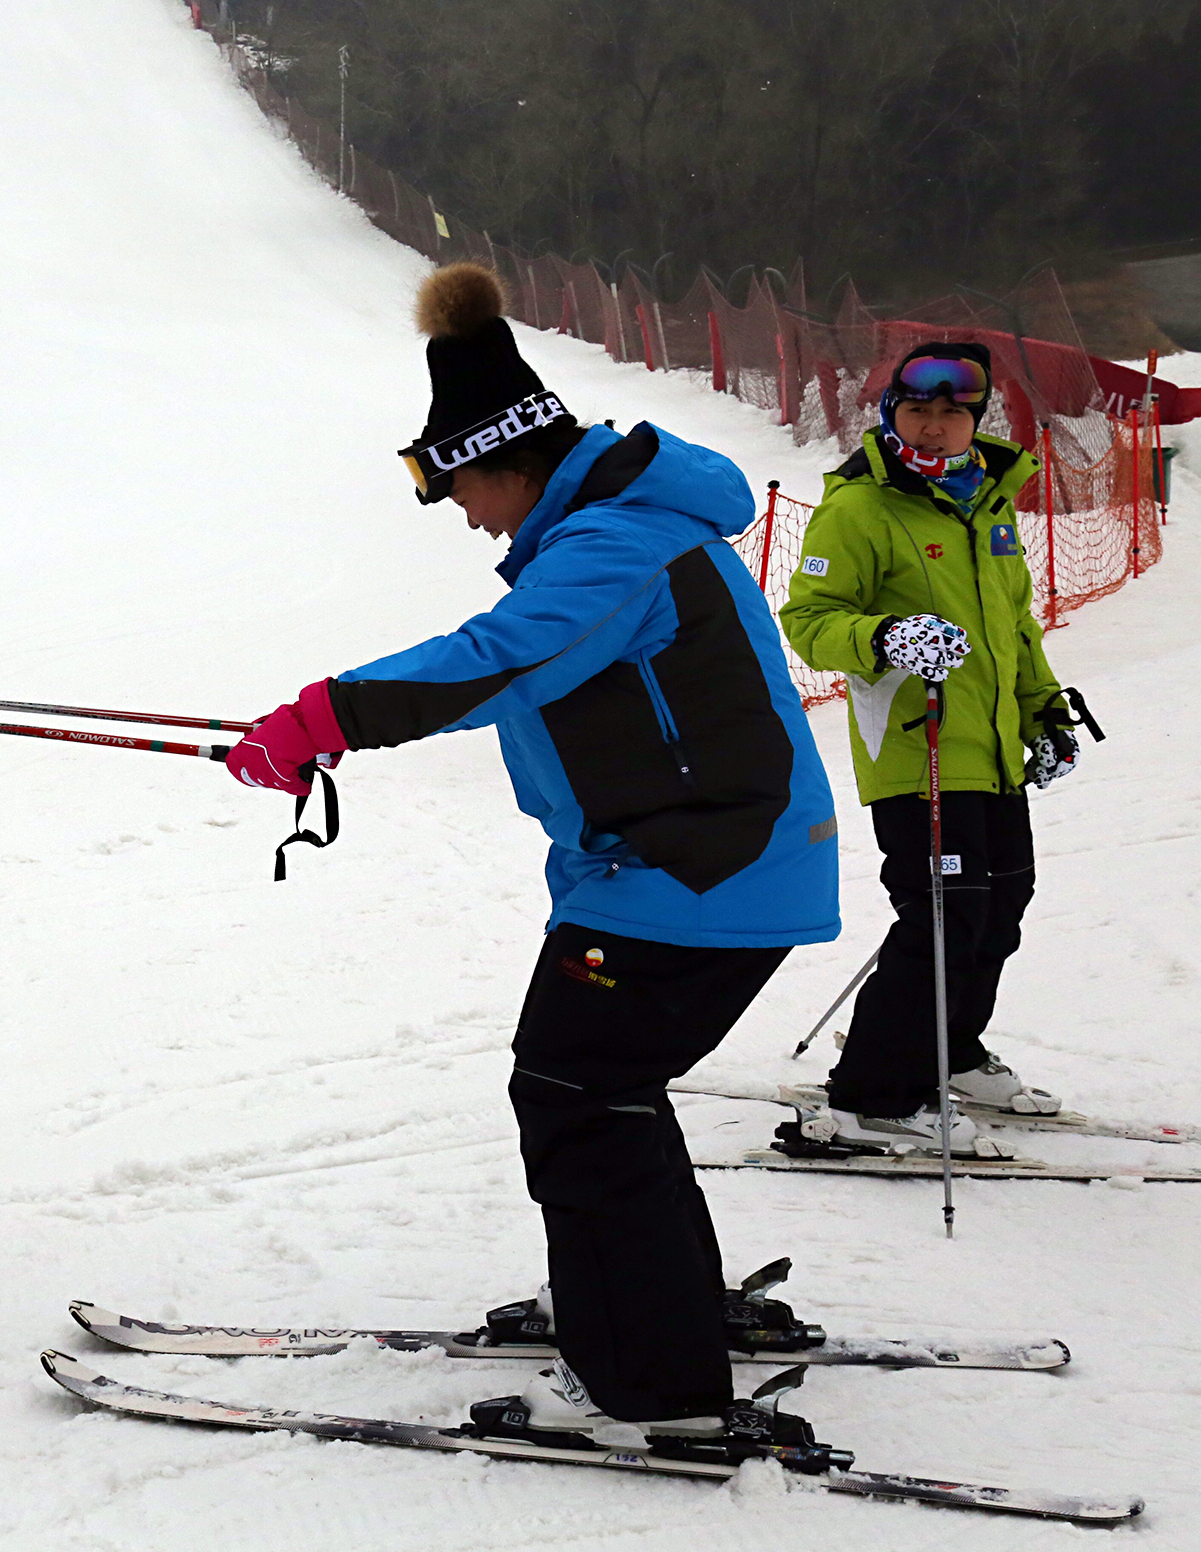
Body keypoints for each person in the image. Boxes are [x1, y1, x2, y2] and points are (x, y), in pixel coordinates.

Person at [223, 263, 841, 1455]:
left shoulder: (609, 548)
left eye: (458, 486)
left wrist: (321, 719)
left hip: (699, 875)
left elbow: (498, 657)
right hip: (697, 867)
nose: (463, 513)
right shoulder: (621, 525)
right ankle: (639, 1302)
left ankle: (648, 1375)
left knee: (578, 1093)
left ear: (512, 459)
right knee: (597, 1091)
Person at [780, 342, 1098, 1154]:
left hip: (988, 754)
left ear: (972, 420)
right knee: (942, 920)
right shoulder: (859, 508)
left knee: (998, 912)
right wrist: (886, 634)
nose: (934, 423)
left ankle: (947, 1053)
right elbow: (808, 621)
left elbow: (1013, 628)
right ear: (890, 413)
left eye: (952, 411)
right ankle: (873, 1096)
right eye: (917, 408)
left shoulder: (986, 503)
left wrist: (1043, 715)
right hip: (914, 752)